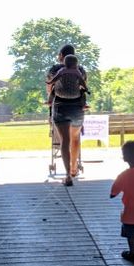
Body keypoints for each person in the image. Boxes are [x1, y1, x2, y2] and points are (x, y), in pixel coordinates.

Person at [47, 52, 87, 186]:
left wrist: (50, 95)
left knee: (65, 141)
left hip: (61, 106)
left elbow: (50, 87)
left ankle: (68, 175)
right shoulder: (80, 70)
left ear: (62, 56)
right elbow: (83, 84)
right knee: (75, 138)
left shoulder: (56, 69)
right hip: (77, 107)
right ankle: (74, 167)